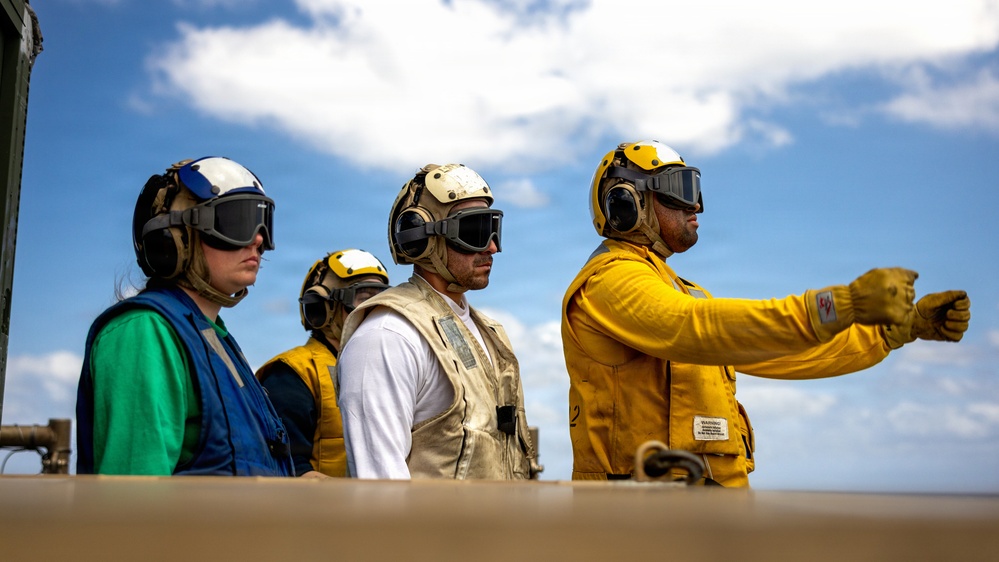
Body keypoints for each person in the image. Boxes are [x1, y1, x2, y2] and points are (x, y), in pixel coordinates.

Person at [562, 140, 971, 487]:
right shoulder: (608, 283)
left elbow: (781, 352)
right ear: (625, 203)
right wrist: (841, 304)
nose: (696, 206)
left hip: (709, 514)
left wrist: (896, 331)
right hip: (635, 523)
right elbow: (693, 327)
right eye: (677, 190)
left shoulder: (683, 291)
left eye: (695, 189)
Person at [76, 156, 294, 476]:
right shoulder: (145, 331)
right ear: (175, 239)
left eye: (263, 223)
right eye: (236, 223)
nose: (259, 240)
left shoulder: (212, 335)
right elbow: (132, 503)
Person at [337, 163, 541, 479]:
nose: (492, 247)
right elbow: (380, 491)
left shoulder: (489, 334)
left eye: (493, 229)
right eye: (475, 231)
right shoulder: (387, 336)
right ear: (422, 236)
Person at [256, 249, 390, 478]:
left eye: (382, 300)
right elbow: (285, 468)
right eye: (364, 299)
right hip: (318, 512)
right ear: (322, 308)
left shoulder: (389, 370)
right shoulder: (293, 374)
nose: (374, 312)